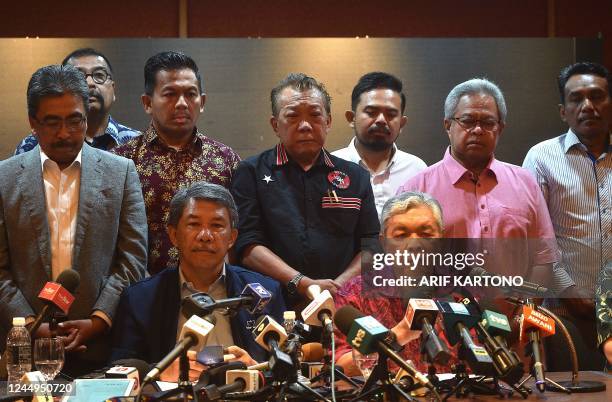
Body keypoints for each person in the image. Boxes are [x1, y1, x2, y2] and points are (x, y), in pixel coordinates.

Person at [0, 64, 147, 375]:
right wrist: (31, 324)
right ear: (32, 123)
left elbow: (133, 258)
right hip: (23, 353)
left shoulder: (121, 173)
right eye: (52, 122)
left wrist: (97, 320)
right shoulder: (5, 178)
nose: (64, 133)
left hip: (102, 346)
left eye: (74, 121)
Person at [110, 182, 286, 381]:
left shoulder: (265, 292)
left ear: (232, 238)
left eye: (217, 226)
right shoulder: (139, 298)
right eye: (194, 224)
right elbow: (119, 368)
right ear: (174, 235)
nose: (205, 236)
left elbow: (286, 366)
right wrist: (159, 371)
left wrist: (259, 370)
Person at [230, 73, 379, 304]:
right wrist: (302, 283)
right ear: (275, 125)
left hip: (343, 304)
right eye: (292, 116)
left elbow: (371, 245)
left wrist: (338, 286)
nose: (305, 125)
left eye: (315, 115)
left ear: (328, 121)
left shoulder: (356, 176)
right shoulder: (250, 172)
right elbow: (247, 246)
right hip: (270, 303)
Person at [397, 78, 557, 286]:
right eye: (468, 121)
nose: (478, 130)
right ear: (448, 125)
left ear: (500, 129)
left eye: (488, 123)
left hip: (514, 316)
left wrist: (522, 312)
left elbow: (543, 259)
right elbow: (402, 266)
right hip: (442, 316)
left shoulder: (525, 183)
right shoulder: (416, 190)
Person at [113, 51, 241, 275]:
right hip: (139, 294)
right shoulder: (121, 161)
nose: (182, 103)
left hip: (213, 296)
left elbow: (238, 234)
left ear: (202, 102)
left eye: (190, 94)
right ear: (147, 102)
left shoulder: (225, 160)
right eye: (170, 94)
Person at [523, 62, 611, 370]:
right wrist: (569, 292)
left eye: (597, 96)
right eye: (576, 98)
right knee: (571, 392)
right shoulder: (541, 158)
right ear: (563, 111)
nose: (588, 106)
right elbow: (534, 237)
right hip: (565, 313)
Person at [334, 191, 457, 375]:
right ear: (384, 243)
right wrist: (396, 336)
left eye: (426, 233)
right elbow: (340, 367)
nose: (414, 244)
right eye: (401, 235)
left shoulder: (460, 292)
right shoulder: (355, 293)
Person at [333, 72, 426, 216]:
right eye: (371, 112)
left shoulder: (417, 170)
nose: (381, 120)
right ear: (351, 118)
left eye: (391, 114)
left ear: (401, 124)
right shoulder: (330, 167)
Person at [14, 48, 140, 154]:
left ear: (113, 89)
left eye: (99, 75)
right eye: (79, 77)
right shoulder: (32, 145)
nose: (90, 83)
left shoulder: (139, 144)